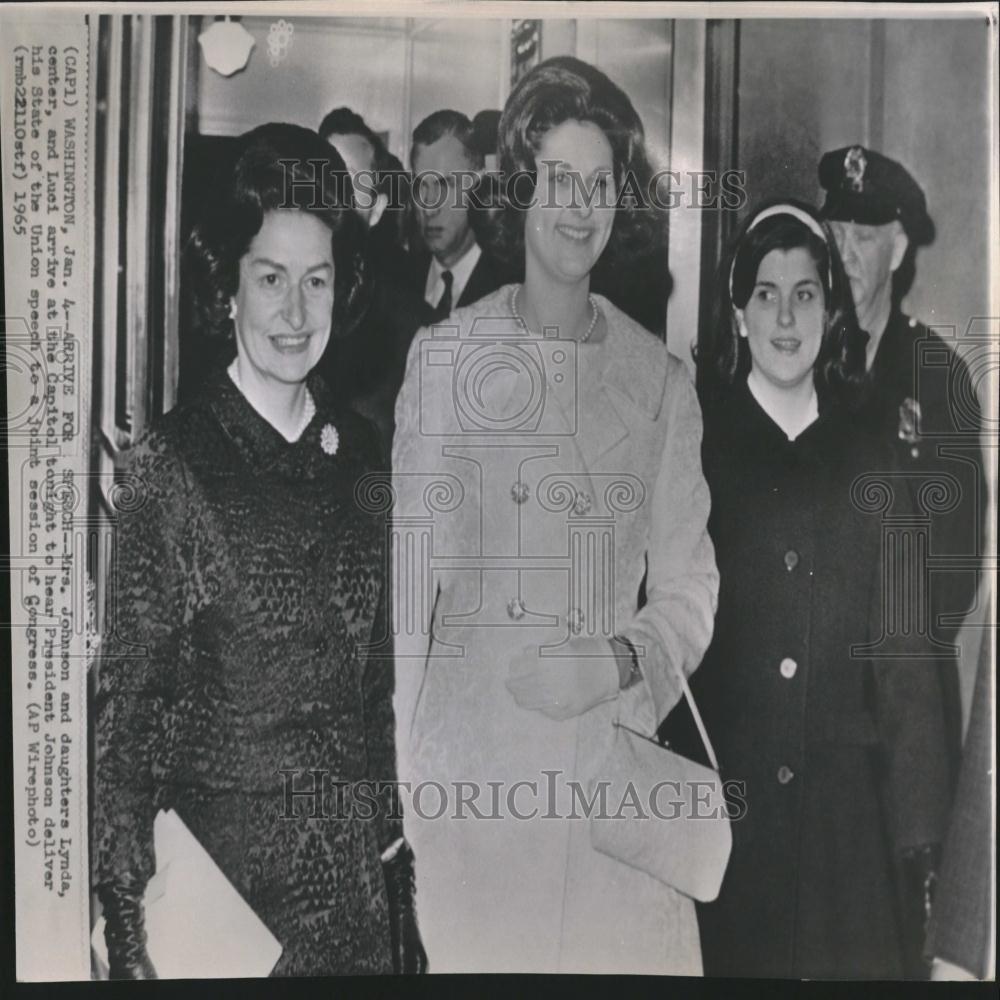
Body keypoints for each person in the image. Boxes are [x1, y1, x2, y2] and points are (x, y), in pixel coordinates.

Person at [391, 56, 718, 974]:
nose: (581, 208)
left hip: (610, 794)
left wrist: (618, 659)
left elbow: (690, 590)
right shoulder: (447, 364)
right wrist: (412, 801)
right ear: (521, 192)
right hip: (477, 806)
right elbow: (410, 611)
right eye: (560, 181)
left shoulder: (658, 383)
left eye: (601, 182)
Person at [91, 123, 426, 978]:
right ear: (227, 288)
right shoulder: (171, 469)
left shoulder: (362, 458)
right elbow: (127, 729)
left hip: (351, 925)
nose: (296, 312)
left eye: (317, 281)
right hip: (224, 923)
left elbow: (372, 697)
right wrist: (128, 940)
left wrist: (397, 899)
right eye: (270, 279)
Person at [684, 201, 952, 978]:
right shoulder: (697, 453)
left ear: (832, 312)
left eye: (806, 292)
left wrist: (921, 850)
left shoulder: (874, 463)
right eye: (764, 293)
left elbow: (908, 673)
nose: (786, 314)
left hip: (847, 844)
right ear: (737, 316)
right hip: (724, 836)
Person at [818, 146, 985, 774]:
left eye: (863, 236)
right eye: (834, 233)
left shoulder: (937, 377)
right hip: (806, 699)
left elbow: (954, 564)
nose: (844, 253)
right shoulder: (790, 357)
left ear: (897, 250)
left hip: (899, 722)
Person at [317, 106, 423, 450]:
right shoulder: (275, 307)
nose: (332, 198)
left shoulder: (412, 328)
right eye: (323, 179)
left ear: (376, 211)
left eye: (348, 182)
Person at [407, 109, 510, 320]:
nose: (429, 208)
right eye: (420, 186)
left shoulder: (509, 292)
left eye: (445, 185)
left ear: (478, 187)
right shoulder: (396, 284)